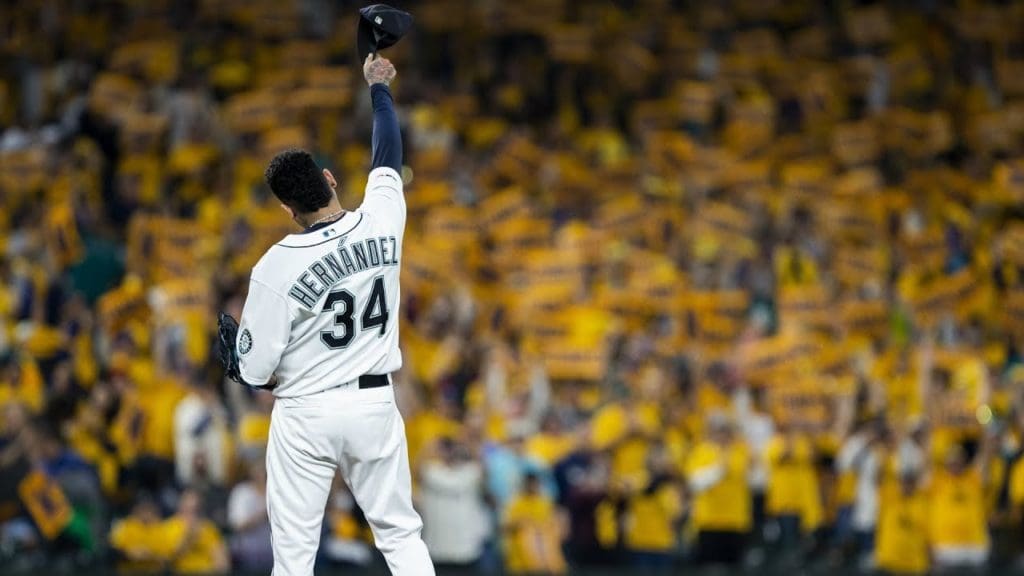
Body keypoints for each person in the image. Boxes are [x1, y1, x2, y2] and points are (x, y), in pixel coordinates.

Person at [231, 54, 434, 575]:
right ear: (329, 179)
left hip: (306, 414)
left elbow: (254, 374)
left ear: (287, 210)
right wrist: (379, 88)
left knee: (294, 558)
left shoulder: (275, 267)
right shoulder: (381, 219)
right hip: (374, 403)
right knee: (401, 534)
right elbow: (387, 153)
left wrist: (238, 362)